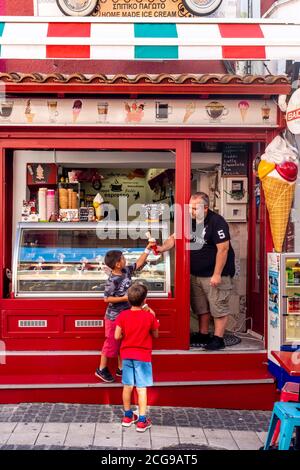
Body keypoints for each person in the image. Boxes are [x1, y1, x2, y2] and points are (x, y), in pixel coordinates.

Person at [157, 191, 235, 351]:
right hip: (195, 274)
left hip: (214, 274)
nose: (190, 212)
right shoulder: (188, 220)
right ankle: (203, 334)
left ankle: (218, 338)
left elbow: (223, 249)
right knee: (201, 308)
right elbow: (174, 237)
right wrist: (161, 248)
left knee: (218, 307)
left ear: (205, 208)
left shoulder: (217, 222)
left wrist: (217, 274)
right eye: (189, 208)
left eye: (194, 209)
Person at [95, 243, 155, 383]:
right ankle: (101, 368)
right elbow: (106, 299)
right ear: (117, 264)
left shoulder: (126, 271)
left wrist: (148, 249)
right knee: (111, 343)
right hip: (113, 317)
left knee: (123, 341)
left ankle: (121, 368)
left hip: (126, 315)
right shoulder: (111, 281)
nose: (125, 260)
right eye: (122, 258)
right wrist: (124, 298)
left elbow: (139, 263)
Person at [115, 282, 159, 432]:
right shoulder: (148, 316)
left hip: (127, 355)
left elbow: (116, 336)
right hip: (143, 356)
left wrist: (125, 333)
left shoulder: (123, 315)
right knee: (141, 389)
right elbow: (156, 334)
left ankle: (127, 417)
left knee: (127, 386)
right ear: (144, 300)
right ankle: (141, 420)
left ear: (128, 300)